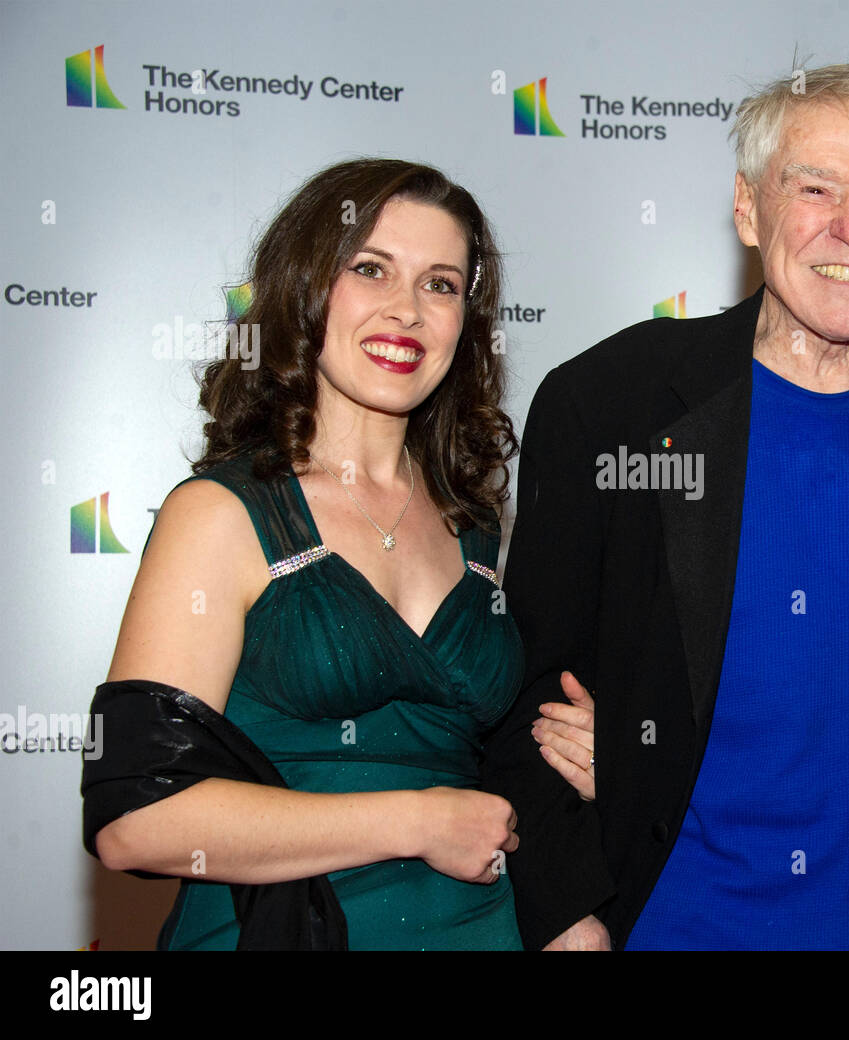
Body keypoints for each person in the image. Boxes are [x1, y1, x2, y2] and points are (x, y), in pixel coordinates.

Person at [484, 65, 849, 950]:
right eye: (816, 188)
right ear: (747, 210)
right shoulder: (611, 407)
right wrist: (572, 922)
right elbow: (524, 689)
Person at [82, 158, 594, 950]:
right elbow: (134, 820)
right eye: (370, 269)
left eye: (441, 285)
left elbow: (492, 753)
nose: (408, 312)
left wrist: (606, 755)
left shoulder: (477, 523)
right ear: (305, 289)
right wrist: (413, 821)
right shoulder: (223, 515)